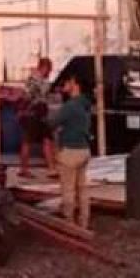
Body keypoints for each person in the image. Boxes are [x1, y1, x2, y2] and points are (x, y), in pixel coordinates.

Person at [48, 73, 93, 229]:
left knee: (68, 189)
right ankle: (84, 221)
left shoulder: (70, 106)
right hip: (84, 149)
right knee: (82, 188)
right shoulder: (85, 104)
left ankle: (69, 224)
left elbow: (52, 122)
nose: (63, 86)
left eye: (66, 82)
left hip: (70, 150)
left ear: (74, 83)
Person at [17, 57, 56, 178]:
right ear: (44, 68)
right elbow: (28, 96)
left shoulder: (41, 80)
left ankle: (51, 169)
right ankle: (23, 169)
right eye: (49, 70)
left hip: (41, 114)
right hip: (33, 114)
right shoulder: (34, 80)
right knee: (28, 141)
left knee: (47, 140)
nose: (49, 73)